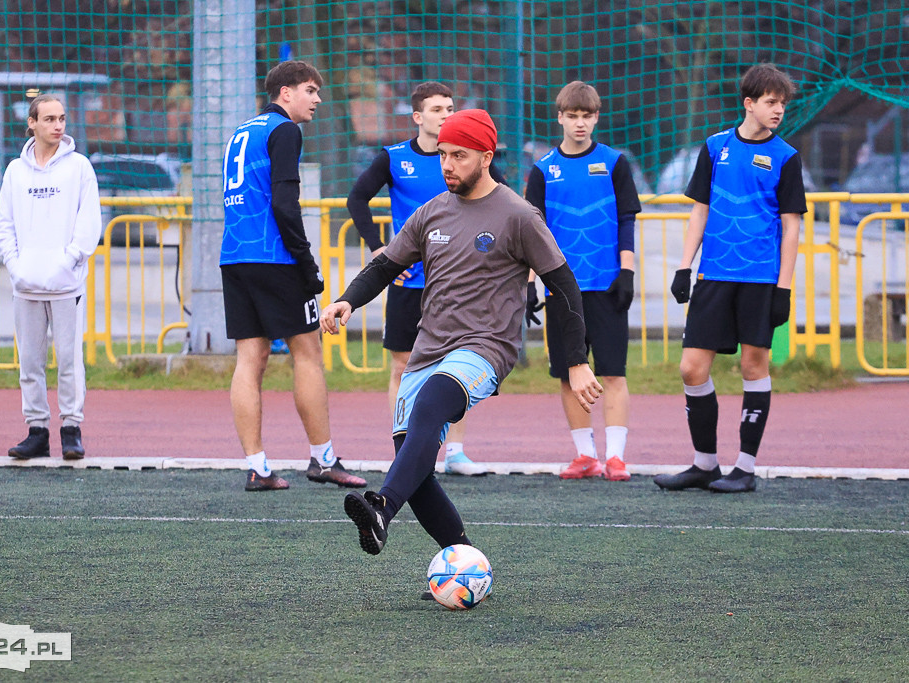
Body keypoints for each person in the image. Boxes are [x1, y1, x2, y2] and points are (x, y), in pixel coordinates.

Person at [322, 109, 603, 562]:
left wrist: (576, 360)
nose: (447, 164)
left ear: (486, 157)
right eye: (442, 155)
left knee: (433, 402)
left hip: (486, 348)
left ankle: (381, 508)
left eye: (459, 155)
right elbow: (385, 265)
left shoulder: (518, 215)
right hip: (428, 348)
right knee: (412, 463)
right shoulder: (431, 212)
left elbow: (565, 287)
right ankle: (466, 561)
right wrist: (347, 301)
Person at [654, 63, 806, 494]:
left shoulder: (786, 157)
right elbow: (699, 209)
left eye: (782, 103)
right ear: (749, 103)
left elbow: (792, 226)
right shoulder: (714, 147)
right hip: (714, 275)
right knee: (691, 368)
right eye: (771, 102)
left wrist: (784, 288)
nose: (778, 110)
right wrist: (685, 266)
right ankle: (704, 463)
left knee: (752, 364)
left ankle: (744, 467)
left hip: (760, 279)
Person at [346, 81, 507, 477]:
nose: (446, 114)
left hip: (458, 284)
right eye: (437, 109)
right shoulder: (393, 158)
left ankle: (455, 452)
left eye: (450, 107)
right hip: (408, 282)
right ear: (418, 116)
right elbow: (356, 198)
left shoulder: (469, 159)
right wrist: (376, 247)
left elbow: (502, 200)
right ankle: (405, 451)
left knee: (457, 365)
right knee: (403, 366)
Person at [220, 60, 366, 492]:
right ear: (285, 93)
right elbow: (285, 204)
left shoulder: (241, 132)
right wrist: (306, 263)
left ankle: (257, 466)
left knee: (250, 359)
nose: (317, 99)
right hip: (274, 258)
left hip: (235, 256)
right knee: (308, 352)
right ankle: (323, 459)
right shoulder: (286, 131)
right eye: (310, 90)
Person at [524, 81, 642, 482]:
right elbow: (531, 232)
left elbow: (627, 219)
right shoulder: (542, 170)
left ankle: (616, 458)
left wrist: (627, 271)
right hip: (561, 289)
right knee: (568, 371)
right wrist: (527, 284)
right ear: (559, 117)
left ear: (596, 117)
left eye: (587, 115)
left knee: (612, 372)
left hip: (607, 286)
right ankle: (585, 455)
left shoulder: (614, 162)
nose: (579, 123)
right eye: (572, 115)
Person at [0, 94, 102, 460]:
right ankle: (37, 429)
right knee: (30, 362)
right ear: (32, 123)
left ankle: (71, 429)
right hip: (25, 285)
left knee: (69, 360)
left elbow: (89, 224)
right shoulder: (15, 171)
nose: (58, 125)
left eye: (62, 119)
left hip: (66, 285)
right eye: (50, 119)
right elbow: (4, 225)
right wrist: (15, 265)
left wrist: (68, 262)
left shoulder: (80, 168)